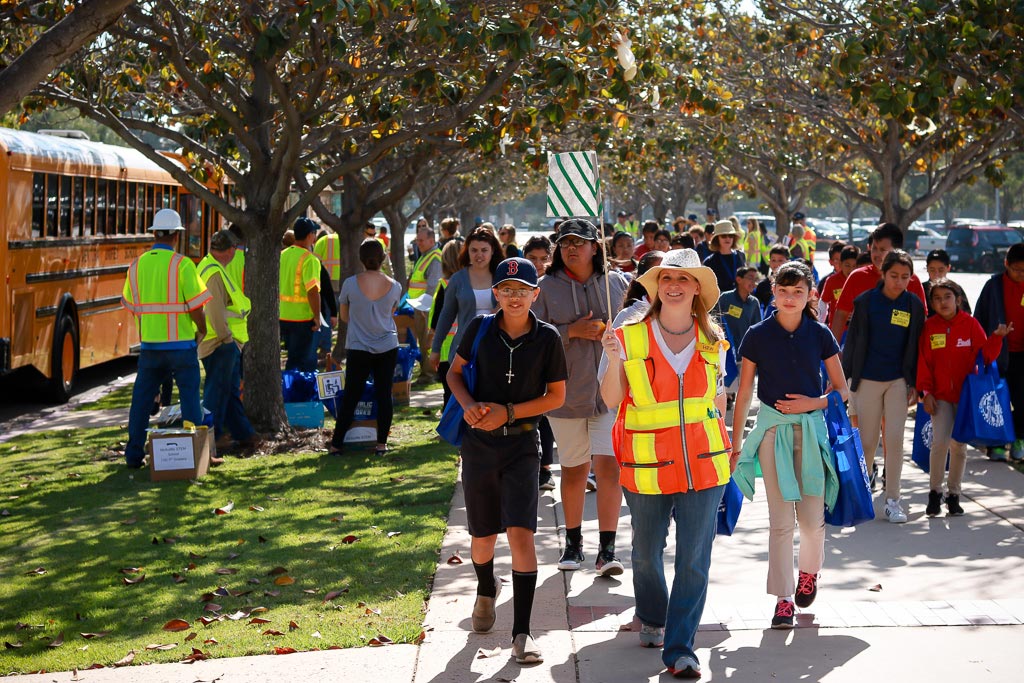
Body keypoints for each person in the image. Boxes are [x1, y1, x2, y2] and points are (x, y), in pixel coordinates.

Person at [598, 248, 730, 679]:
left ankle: (681, 648)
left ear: (697, 289)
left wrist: (733, 444)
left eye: (685, 278)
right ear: (656, 287)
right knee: (645, 554)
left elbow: (718, 398)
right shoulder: (628, 335)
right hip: (647, 464)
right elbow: (612, 400)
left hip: (705, 465)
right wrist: (614, 357)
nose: (675, 284)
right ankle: (652, 615)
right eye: (667, 277)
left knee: (694, 559)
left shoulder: (715, 339)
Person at [447, 257, 567, 666]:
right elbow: (454, 373)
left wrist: (511, 413)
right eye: (506, 290)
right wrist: (467, 405)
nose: (514, 297)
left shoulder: (548, 338)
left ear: (536, 294)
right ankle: (485, 589)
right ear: (495, 293)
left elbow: (556, 397)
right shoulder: (479, 328)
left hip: (522, 445)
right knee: (481, 537)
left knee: (521, 535)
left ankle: (522, 632)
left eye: (523, 290)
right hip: (479, 445)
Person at [731, 260, 847, 630]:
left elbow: (843, 391)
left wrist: (812, 403)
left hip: (812, 433)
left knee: (812, 522)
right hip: (771, 434)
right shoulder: (757, 334)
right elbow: (745, 390)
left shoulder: (821, 333)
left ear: (811, 294)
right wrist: (736, 444)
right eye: (783, 290)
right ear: (774, 292)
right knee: (780, 523)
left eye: (798, 292)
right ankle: (782, 600)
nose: (790, 297)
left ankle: (808, 574)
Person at [533, 218, 629, 576]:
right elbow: (532, 338)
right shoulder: (544, 288)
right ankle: (572, 544)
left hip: (609, 393)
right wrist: (571, 331)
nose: (572, 248)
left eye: (580, 241)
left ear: (595, 247)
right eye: (566, 242)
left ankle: (608, 549)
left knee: (609, 468)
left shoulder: (617, 283)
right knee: (574, 471)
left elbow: (636, 325)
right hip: (565, 397)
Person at [120, 209, 210, 468]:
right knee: (191, 399)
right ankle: (197, 453)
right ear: (177, 235)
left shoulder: (136, 266)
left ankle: (134, 455)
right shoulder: (183, 265)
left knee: (141, 401)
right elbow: (196, 307)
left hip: (150, 347)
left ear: (154, 233)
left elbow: (131, 303)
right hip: (181, 346)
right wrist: (201, 329)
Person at [842, 250, 924, 522]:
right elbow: (852, 342)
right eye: (893, 276)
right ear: (883, 273)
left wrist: (915, 383)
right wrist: (847, 380)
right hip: (866, 380)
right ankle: (862, 498)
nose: (899, 282)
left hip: (898, 381)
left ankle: (893, 500)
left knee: (895, 440)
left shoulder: (913, 304)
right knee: (867, 442)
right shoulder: (865, 302)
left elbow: (917, 346)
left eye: (905, 277)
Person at [917, 279, 1010, 515]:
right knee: (939, 443)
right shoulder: (929, 327)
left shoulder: (970, 324)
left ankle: (954, 494)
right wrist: (925, 392)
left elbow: (986, 356)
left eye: (947, 297)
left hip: (966, 397)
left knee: (959, 446)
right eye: (936, 298)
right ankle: (934, 493)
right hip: (940, 396)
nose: (942, 302)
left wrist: (997, 338)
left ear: (957, 299)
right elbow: (924, 363)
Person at [329, 238, 403, 456]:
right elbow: (390, 313)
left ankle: (336, 444)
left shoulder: (350, 284)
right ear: (383, 258)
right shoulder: (395, 286)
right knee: (384, 394)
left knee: (351, 394)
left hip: (358, 346)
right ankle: (381, 444)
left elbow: (344, 316)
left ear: (360, 259)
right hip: (387, 345)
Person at [197, 230, 255, 454]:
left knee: (229, 391)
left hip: (217, 340)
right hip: (219, 342)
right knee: (217, 393)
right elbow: (215, 312)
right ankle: (214, 437)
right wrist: (227, 339)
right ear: (231, 250)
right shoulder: (213, 273)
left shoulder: (208, 266)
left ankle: (243, 433)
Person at [830, 223, 926, 341]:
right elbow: (841, 315)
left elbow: (921, 320)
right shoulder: (857, 277)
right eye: (874, 248)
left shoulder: (911, 279)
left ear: (897, 251)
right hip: (864, 353)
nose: (877, 254)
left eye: (882, 249)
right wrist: (834, 350)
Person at [429, 228, 502, 385]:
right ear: (467, 251)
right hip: (464, 348)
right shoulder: (458, 279)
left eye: (484, 250)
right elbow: (446, 316)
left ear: (492, 251)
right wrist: (435, 349)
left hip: (497, 348)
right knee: (461, 400)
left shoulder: (502, 277)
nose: (479, 255)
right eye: (474, 250)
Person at [975, 242, 1024, 462]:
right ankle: (995, 445)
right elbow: (978, 320)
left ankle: (1018, 439)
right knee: (996, 401)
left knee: (1022, 401)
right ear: (1006, 264)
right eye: (1017, 270)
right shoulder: (993, 286)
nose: (1021, 274)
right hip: (997, 354)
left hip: (1022, 354)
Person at [522, 235, 557, 491]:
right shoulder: (513, 285)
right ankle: (526, 467)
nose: (538, 263)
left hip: (550, 357)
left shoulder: (552, 286)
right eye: (532, 258)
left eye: (543, 258)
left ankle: (545, 469)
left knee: (546, 417)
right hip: (523, 358)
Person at [279, 217, 322, 372]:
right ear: (310, 235)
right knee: (299, 361)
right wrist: (317, 317)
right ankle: (294, 392)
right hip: (302, 319)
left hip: (282, 315)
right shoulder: (310, 260)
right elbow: (312, 291)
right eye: (314, 233)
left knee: (292, 358)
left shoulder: (282, 255)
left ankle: (288, 388)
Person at [429, 241, 464, 408]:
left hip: (446, 349)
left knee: (449, 392)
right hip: (465, 346)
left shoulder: (445, 285)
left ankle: (448, 430)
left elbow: (437, 319)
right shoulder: (471, 284)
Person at [716, 266, 762, 392]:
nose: (753, 282)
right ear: (738, 279)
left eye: (755, 279)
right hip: (726, 348)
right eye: (750, 278)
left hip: (744, 351)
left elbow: (757, 326)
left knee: (744, 386)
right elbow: (714, 318)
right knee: (725, 386)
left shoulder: (754, 303)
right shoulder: (726, 298)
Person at [407, 221, 443, 381]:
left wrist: (424, 307)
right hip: (420, 306)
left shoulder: (434, 258)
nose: (418, 243)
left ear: (431, 240)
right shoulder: (425, 256)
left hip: (426, 307)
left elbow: (433, 285)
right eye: (417, 240)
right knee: (422, 339)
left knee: (427, 340)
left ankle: (430, 373)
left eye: (421, 240)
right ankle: (426, 371)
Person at [818, 244, 858, 327]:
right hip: (836, 328)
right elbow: (823, 303)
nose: (851, 270)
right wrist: (820, 324)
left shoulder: (862, 280)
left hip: (856, 330)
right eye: (847, 265)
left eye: (854, 266)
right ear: (840, 264)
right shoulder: (831, 280)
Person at [703, 220, 747, 295]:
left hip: (740, 300)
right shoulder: (709, 262)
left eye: (730, 236)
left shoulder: (740, 256)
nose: (728, 239)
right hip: (720, 303)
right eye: (723, 236)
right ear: (717, 239)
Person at [923, 249, 971, 315]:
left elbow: (966, 317)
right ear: (927, 269)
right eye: (932, 270)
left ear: (948, 268)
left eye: (941, 270)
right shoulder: (920, 289)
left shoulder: (956, 289)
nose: (936, 274)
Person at [754, 245, 791, 311]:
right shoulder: (763, 285)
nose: (776, 264)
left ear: (788, 262)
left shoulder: (793, 283)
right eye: (773, 260)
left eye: (780, 260)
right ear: (769, 262)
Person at [313, 227, 342, 296]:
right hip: (344, 277)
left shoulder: (322, 240)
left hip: (325, 278)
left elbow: (315, 262)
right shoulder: (350, 241)